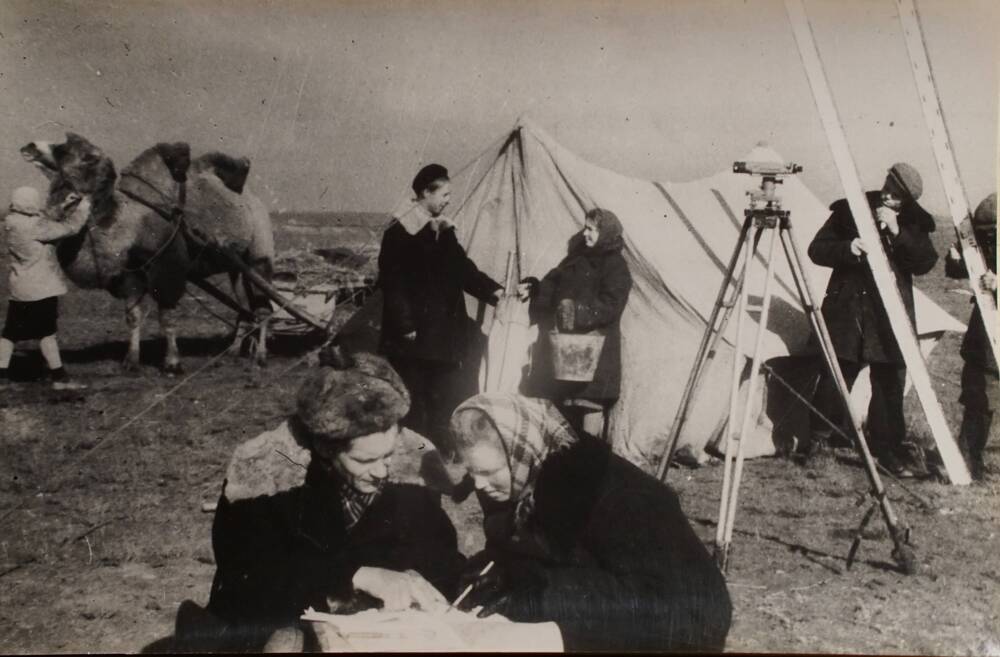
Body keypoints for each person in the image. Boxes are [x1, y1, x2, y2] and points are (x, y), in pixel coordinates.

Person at [202, 350, 466, 652]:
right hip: (282, 626)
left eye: (388, 454)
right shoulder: (266, 472)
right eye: (364, 460)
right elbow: (246, 577)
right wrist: (353, 575)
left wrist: (419, 578)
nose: (382, 471)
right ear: (326, 448)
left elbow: (439, 552)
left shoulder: (411, 462)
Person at [448, 393, 732, 652]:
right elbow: (534, 556)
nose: (480, 484)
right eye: (472, 472)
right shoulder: (522, 484)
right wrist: (499, 573)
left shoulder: (616, 495)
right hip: (600, 621)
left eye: (488, 471)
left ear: (521, 451)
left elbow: (690, 609)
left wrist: (538, 598)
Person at [803, 163, 938, 477]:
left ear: (907, 201)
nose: (890, 196)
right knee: (837, 375)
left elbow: (924, 263)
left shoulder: (915, 222)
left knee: (889, 381)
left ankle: (887, 450)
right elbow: (816, 249)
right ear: (886, 180)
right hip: (848, 311)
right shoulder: (853, 207)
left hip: (888, 316)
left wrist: (897, 231)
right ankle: (820, 443)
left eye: (898, 196)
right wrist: (848, 248)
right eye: (890, 187)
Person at [378, 163, 502, 454]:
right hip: (414, 333)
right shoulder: (401, 230)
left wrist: (494, 291)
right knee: (414, 395)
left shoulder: (443, 230)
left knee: (440, 394)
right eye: (444, 193)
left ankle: (435, 452)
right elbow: (392, 280)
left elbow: (462, 268)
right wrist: (405, 324)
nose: (449, 199)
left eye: (449, 194)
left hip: (440, 332)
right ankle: (414, 454)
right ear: (425, 193)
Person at [519, 207, 632, 438]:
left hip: (596, 352)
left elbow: (612, 304)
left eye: (591, 229)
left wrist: (577, 313)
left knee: (590, 406)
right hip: (569, 351)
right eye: (585, 228)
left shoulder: (615, 265)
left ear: (606, 232)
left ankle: (589, 459)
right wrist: (534, 287)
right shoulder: (576, 259)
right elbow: (551, 284)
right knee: (565, 411)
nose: (585, 234)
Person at [1, 186, 90, 390]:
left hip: (20, 288)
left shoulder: (11, 222)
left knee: (10, 334)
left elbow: (42, 219)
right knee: (47, 333)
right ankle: (59, 378)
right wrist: (83, 207)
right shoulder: (35, 227)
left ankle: (1, 376)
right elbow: (70, 228)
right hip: (41, 289)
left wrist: (64, 204)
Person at [944, 192, 998, 480]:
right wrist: (955, 260)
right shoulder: (986, 242)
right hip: (986, 337)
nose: (990, 241)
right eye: (987, 235)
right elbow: (966, 267)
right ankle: (967, 460)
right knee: (979, 396)